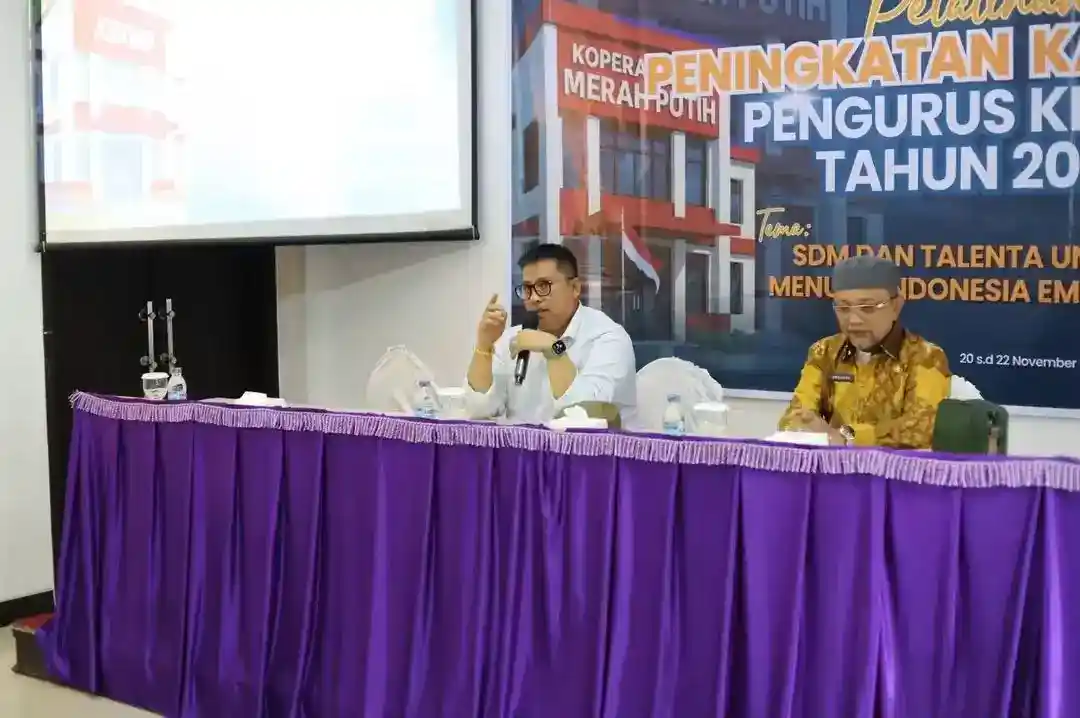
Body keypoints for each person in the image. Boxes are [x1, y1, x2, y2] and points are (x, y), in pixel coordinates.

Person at [779, 254, 951, 448]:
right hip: (831, 464)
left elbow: (921, 427)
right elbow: (796, 414)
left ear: (896, 306)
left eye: (868, 308)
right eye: (844, 308)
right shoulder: (824, 352)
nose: (854, 320)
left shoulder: (925, 357)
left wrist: (846, 435)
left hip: (893, 466)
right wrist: (802, 427)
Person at [466, 243, 636, 423]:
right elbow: (477, 410)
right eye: (527, 289)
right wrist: (484, 346)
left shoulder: (608, 338)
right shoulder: (514, 338)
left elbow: (587, 415)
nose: (534, 298)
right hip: (523, 441)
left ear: (575, 288)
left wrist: (554, 349)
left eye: (544, 286)